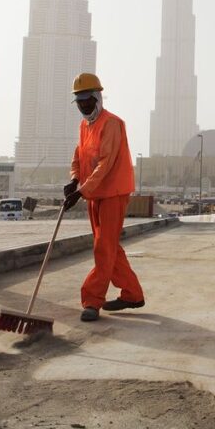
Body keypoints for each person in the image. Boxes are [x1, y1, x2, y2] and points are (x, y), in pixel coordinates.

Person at [63, 73, 145, 323]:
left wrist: (81, 191)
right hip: (94, 194)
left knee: (103, 247)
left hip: (113, 193)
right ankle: (132, 294)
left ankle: (91, 299)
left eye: (88, 100)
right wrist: (74, 179)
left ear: (98, 98)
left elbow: (105, 163)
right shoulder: (84, 126)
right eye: (80, 102)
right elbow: (79, 155)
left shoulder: (112, 124)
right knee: (109, 247)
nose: (84, 106)